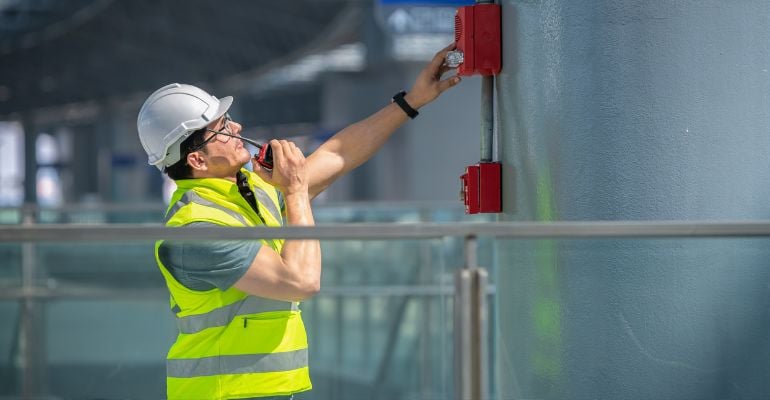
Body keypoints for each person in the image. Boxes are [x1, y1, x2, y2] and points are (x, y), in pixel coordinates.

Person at [136, 45, 461, 400]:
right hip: (220, 393)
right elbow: (301, 281)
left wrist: (412, 100)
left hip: (259, 391)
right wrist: (294, 191)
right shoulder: (195, 231)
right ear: (197, 160)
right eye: (222, 129)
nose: (237, 127)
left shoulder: (254, 191)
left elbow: (338, 154)